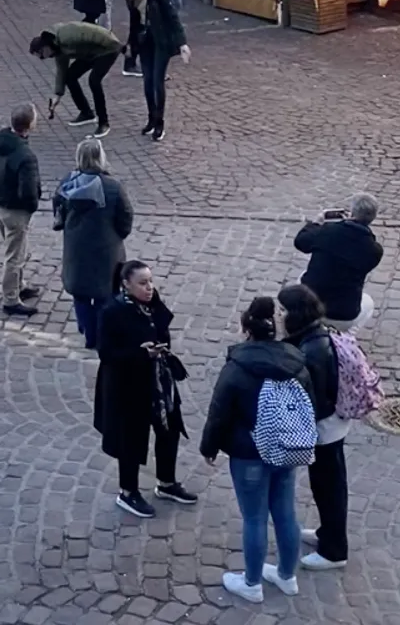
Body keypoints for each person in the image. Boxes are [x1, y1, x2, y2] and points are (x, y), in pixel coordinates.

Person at [200, 293, 316, 603]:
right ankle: (287, 576)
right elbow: (310, 405)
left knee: (254, 519)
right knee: (286, 514)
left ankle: (251, 583)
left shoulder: (238, 367)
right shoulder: (296, 362)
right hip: (287, 449)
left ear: (246, 329)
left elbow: (220, 411)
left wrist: (209, 446)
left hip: (249, 453)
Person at [94, 258, 194, 517]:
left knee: (169, 430)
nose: (149, 288)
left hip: (159, 380)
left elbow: (161, 325)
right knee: (131, 439)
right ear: (126, 284)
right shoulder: (113, 312)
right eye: (142, 283)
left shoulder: (151, 302)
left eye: (150, 281)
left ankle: (167, 482)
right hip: (127, 387)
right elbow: (106, 353)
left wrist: (159, 348)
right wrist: (140, 354)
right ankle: (128, 492)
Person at [277, 283, 348, 572]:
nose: (278, 315)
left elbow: (314, 399)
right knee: (327, 484)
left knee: (328, 487)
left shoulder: (312, 349)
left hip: (325, 428)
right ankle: (327, 535)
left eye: (283, 310)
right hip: (331, 423)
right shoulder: (314, 336)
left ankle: (334, 551)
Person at [52, 137, 133, 347]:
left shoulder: (67, 183)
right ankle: (99, 332)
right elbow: (125, 216)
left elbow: (58, 211)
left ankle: (87, 330)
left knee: (81, 295)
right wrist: (118, 235)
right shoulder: (113, 187)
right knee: (105, 294)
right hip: (107, 251)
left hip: (77, 249)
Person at [0, 104, 42, 317]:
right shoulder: (26, 156)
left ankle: (19, 285)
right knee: (14, 256)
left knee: (17, 250)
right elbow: (28, 192)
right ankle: (10, 299)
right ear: (30, 125)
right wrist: (32, 207)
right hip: (15, 210)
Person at [119, 0, 190, 142]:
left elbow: (172, 15)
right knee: (147, 81)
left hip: (161, 40)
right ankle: (151, 118)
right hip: (145, 40)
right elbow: (134, 22)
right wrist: (131, 45)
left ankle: (159, 122)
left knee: (158, 81)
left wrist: (182, 43)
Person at [293, 195, 382, 330]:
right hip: (343, 314)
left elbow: (301, 242)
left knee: (302, 278)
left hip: (310, 306)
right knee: (368, 303)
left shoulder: (328, 231)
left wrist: (317, 222)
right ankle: (346, 336)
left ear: (352, 213)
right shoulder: (374, 251)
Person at [33, 22, 121, 137]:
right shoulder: (56, 48)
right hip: (90, 53)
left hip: (108, 48)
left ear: (44, 47)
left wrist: (118, 45)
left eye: (41, 55)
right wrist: (58, 95)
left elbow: (92, 31)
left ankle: (103, 123)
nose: (42, 58)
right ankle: (87, 113)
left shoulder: (66, 36)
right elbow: (61, 71)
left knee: (94, 81)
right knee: (70, 77)